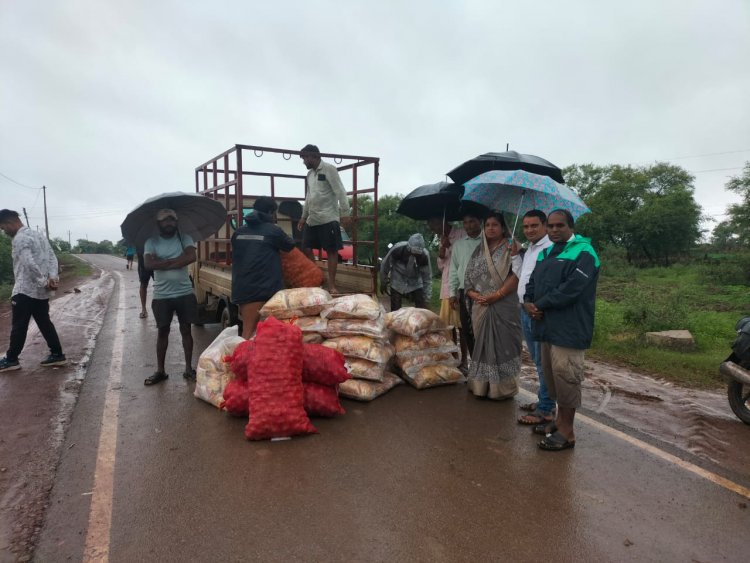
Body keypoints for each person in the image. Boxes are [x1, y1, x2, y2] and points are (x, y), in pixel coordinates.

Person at [524, 209, 600, 451]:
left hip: (570, 327)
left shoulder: (585, 252)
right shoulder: (546, 252)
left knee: (567, 377)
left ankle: (567, 431)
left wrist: (539, 304)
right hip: (546, 326)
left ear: (570, 226)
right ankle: (558, 422)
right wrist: (527, 302)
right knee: (551, 376)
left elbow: (572, 288)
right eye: (552, 226)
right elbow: (533, 282)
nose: (555, 230)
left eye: (560, 226)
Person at [464, 211, 522, 399]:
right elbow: (468, 280)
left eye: (495, 225)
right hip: (480, 306)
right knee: (481, 345)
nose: (490, 228)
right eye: (487, 224)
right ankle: (481, 387)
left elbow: (518, 275)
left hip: (504, 306)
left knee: (503, 346)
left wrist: (496, 296)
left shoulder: (513, 248)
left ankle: (501, 389)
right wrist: (475, 295)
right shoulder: (479, 251)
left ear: (503, 227)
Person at [0, 209, 67, 372]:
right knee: (44, 323)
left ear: (10, 223)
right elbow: (53, 257)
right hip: (40, 293)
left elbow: (28, 263)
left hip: (25, 290)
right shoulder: (39, 236)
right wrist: (52, 279)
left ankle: (11, 360)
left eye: (3, 228)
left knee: (19, 326)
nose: (4, 231)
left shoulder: (19, 238)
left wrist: (44, 282)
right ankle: (57, 354)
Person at [142, 208, 198, 386]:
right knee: (162, 332)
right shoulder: (151, 242)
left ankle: (189, 369)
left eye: (172, 219)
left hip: (184, 293)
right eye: (165, 220)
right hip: (162, 295)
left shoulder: (185, 238)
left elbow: (191, 257)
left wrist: (163, 262)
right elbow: (148, 264)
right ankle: (160, 371)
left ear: (176, 221)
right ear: (158, 223)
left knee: (186, 330)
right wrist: (176, 260)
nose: (169, 223)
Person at [231, 197, 296, 338]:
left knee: (248, 331)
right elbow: (289, 245)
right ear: (270, 212)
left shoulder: (239, 232)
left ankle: (245, 357)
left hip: (244, 289)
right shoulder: (273, 231)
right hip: (266, 289)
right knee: (270, 333)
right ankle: (245, 359)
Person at [514, 210, 555, 426]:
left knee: (543, 362)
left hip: (538, 312)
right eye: (526, 226)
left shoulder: (549, 249)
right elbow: (523, 277)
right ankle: (543, 401)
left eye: (534, 226)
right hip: (525, 309)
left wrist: (537, 305)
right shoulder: (530, 249)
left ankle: (546, 409)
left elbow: (549, 283)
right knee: (538, 360)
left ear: (545, 225)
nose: (529, 230)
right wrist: (515, 255)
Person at [296, 144, 351, 294]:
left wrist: (345, 212)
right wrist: (303, 216)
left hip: (328, 217)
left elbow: (340, 191)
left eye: (305, 158)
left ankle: (332, 285)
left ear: (313, 156)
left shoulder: (329, 169)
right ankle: (319, 276)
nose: (303, 162)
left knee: (331, 250)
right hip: (313, 218)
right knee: (306, 248)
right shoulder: (310, 175)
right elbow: (309, 197)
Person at [448, 212, 483, 370]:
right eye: (466, 222)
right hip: (464, 293)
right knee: (467, 330)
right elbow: (454, 270)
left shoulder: (489, 242)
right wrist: (452, 293)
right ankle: (475, 365)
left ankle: (485, 365)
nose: (469, 225)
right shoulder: (459, 244)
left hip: (484, 293)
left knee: (482, 330)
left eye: (472, 221)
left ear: (480, 222)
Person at [427, 216, 465, 328]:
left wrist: (450, 246)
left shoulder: (461, 234)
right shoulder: (442, 239)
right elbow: (442, 267)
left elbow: (464, 258)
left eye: (434, 227)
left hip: (459, 285)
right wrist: (441, 256)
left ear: (442, 222)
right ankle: (451, 345)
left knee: (461, 324)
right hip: (446, 286)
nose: (434, 231)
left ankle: (465, 346)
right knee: (446, 325)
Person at [379, 233, 432, 311]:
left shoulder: (425, 255)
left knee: (421, 308)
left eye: (417, 254)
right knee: (395, 309)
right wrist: (383, 281)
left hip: (415, 281)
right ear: (408, 247)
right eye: (413, 252)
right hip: (397, 279)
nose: (415, 255)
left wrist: (427, 298)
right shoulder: (397, 249)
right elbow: (385, 265)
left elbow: (427, 277)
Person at [136, 252, 153, 319]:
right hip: (143, 265)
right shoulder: (138, 241)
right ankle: (143, 309)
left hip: (157, 263)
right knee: (143, 285)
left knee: (160, 285)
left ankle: (165, 307)